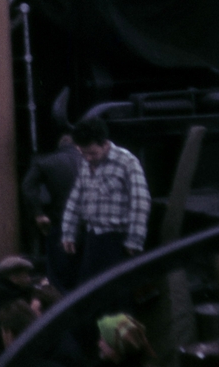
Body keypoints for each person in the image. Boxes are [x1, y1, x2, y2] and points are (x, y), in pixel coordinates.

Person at [61, 118, 152, 285]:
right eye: (83, 153)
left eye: (92, 153)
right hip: (92, 237)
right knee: (88, 289)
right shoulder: (85, 163)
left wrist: (134, 239)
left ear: (105, 145)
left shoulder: (127, 162)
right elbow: (75, 199)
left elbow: (140, 201)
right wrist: (68, 232)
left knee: (115, 291)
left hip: (116, 240)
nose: (88, 158)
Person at [22, 134, 82, 291]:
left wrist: (39, 214)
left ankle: (61, 307)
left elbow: (28, 187)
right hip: (89, 226)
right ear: (78, 146)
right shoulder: (90, 161)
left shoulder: (46, 162)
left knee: (58, 275)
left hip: (59, 222)